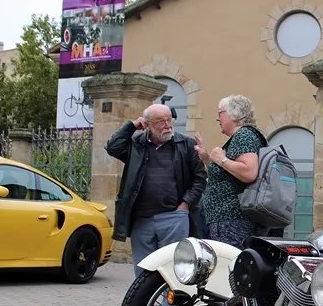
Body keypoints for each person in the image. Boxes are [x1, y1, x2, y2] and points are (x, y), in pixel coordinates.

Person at [105, 103, 207, 275]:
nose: (167, 125)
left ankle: (171, 303)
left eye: (169, 120)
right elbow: (113, 147)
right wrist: (132, 126)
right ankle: (145, 303)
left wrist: (185, 205)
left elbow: (200, 178)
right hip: (142, 220)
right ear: (147, 124)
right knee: (143, 270)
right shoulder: (136, 144)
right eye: (160, 121)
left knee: (174, 270)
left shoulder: (185, 144)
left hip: (174, 217)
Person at [196, 95, 269, 248]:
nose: (217, 119)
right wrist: (207, 159)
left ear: (234, 114)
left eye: (220, 113)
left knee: (230, 266)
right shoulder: (242, 136)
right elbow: (227, 175)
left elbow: (248, 172)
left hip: (232, 221)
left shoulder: (244, 135)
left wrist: (221, 159)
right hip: (228, 220)